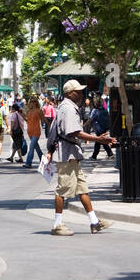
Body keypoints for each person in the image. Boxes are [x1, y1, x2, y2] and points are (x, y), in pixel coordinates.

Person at [44, 80, 116, 235]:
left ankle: (94, 222)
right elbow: (73, 132)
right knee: (63, 189)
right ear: (70, 93)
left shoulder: (69, 107)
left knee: (82, 189)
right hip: (66, 154)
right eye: (78, 91)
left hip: (71, 153)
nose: (82, 94)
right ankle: (57, 225)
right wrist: (98, 139)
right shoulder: (68, 108)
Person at [24, 98, 45, 168]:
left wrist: (50, 126)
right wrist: (23, 117)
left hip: (36, 131)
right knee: (37, 148)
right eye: (31, 101)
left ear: (36, 103)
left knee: (31, 147)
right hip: (30, 131)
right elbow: (28, 121)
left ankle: (28, 162)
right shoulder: (28, 111)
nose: (32, 103)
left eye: (34, 101)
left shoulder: (39, 111)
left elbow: (44, 119)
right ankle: (43, 160)